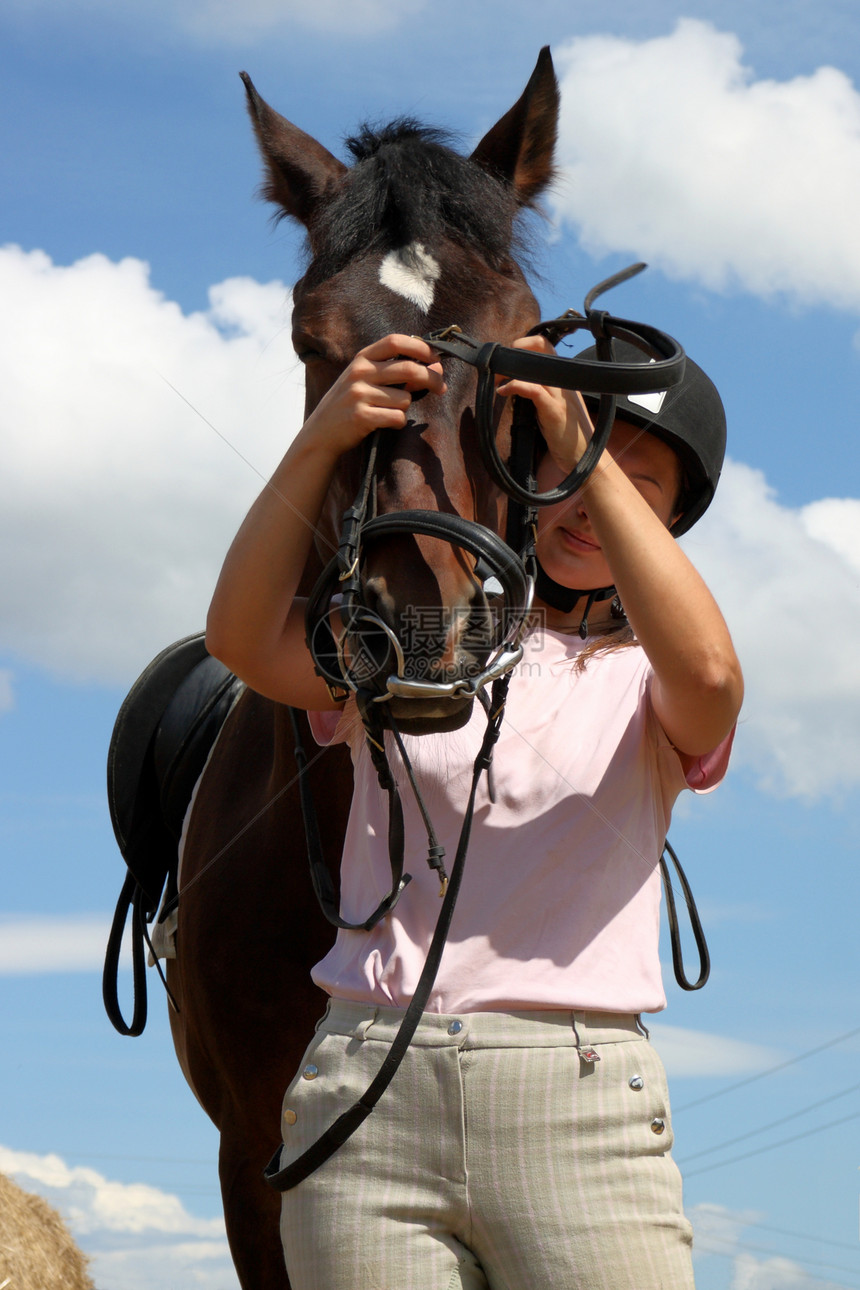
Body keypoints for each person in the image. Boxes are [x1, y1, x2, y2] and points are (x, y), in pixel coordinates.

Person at [206, 331, 744, 1290]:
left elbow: (709, 674)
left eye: (636, 480)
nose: (585, 495)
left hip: (575, 1100)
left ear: (664, 522)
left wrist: (580, 445)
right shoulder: (414, 645)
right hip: (367, 1085)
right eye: (568, 463)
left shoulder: (648, 678)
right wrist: (322, 440)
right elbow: (243, 640)